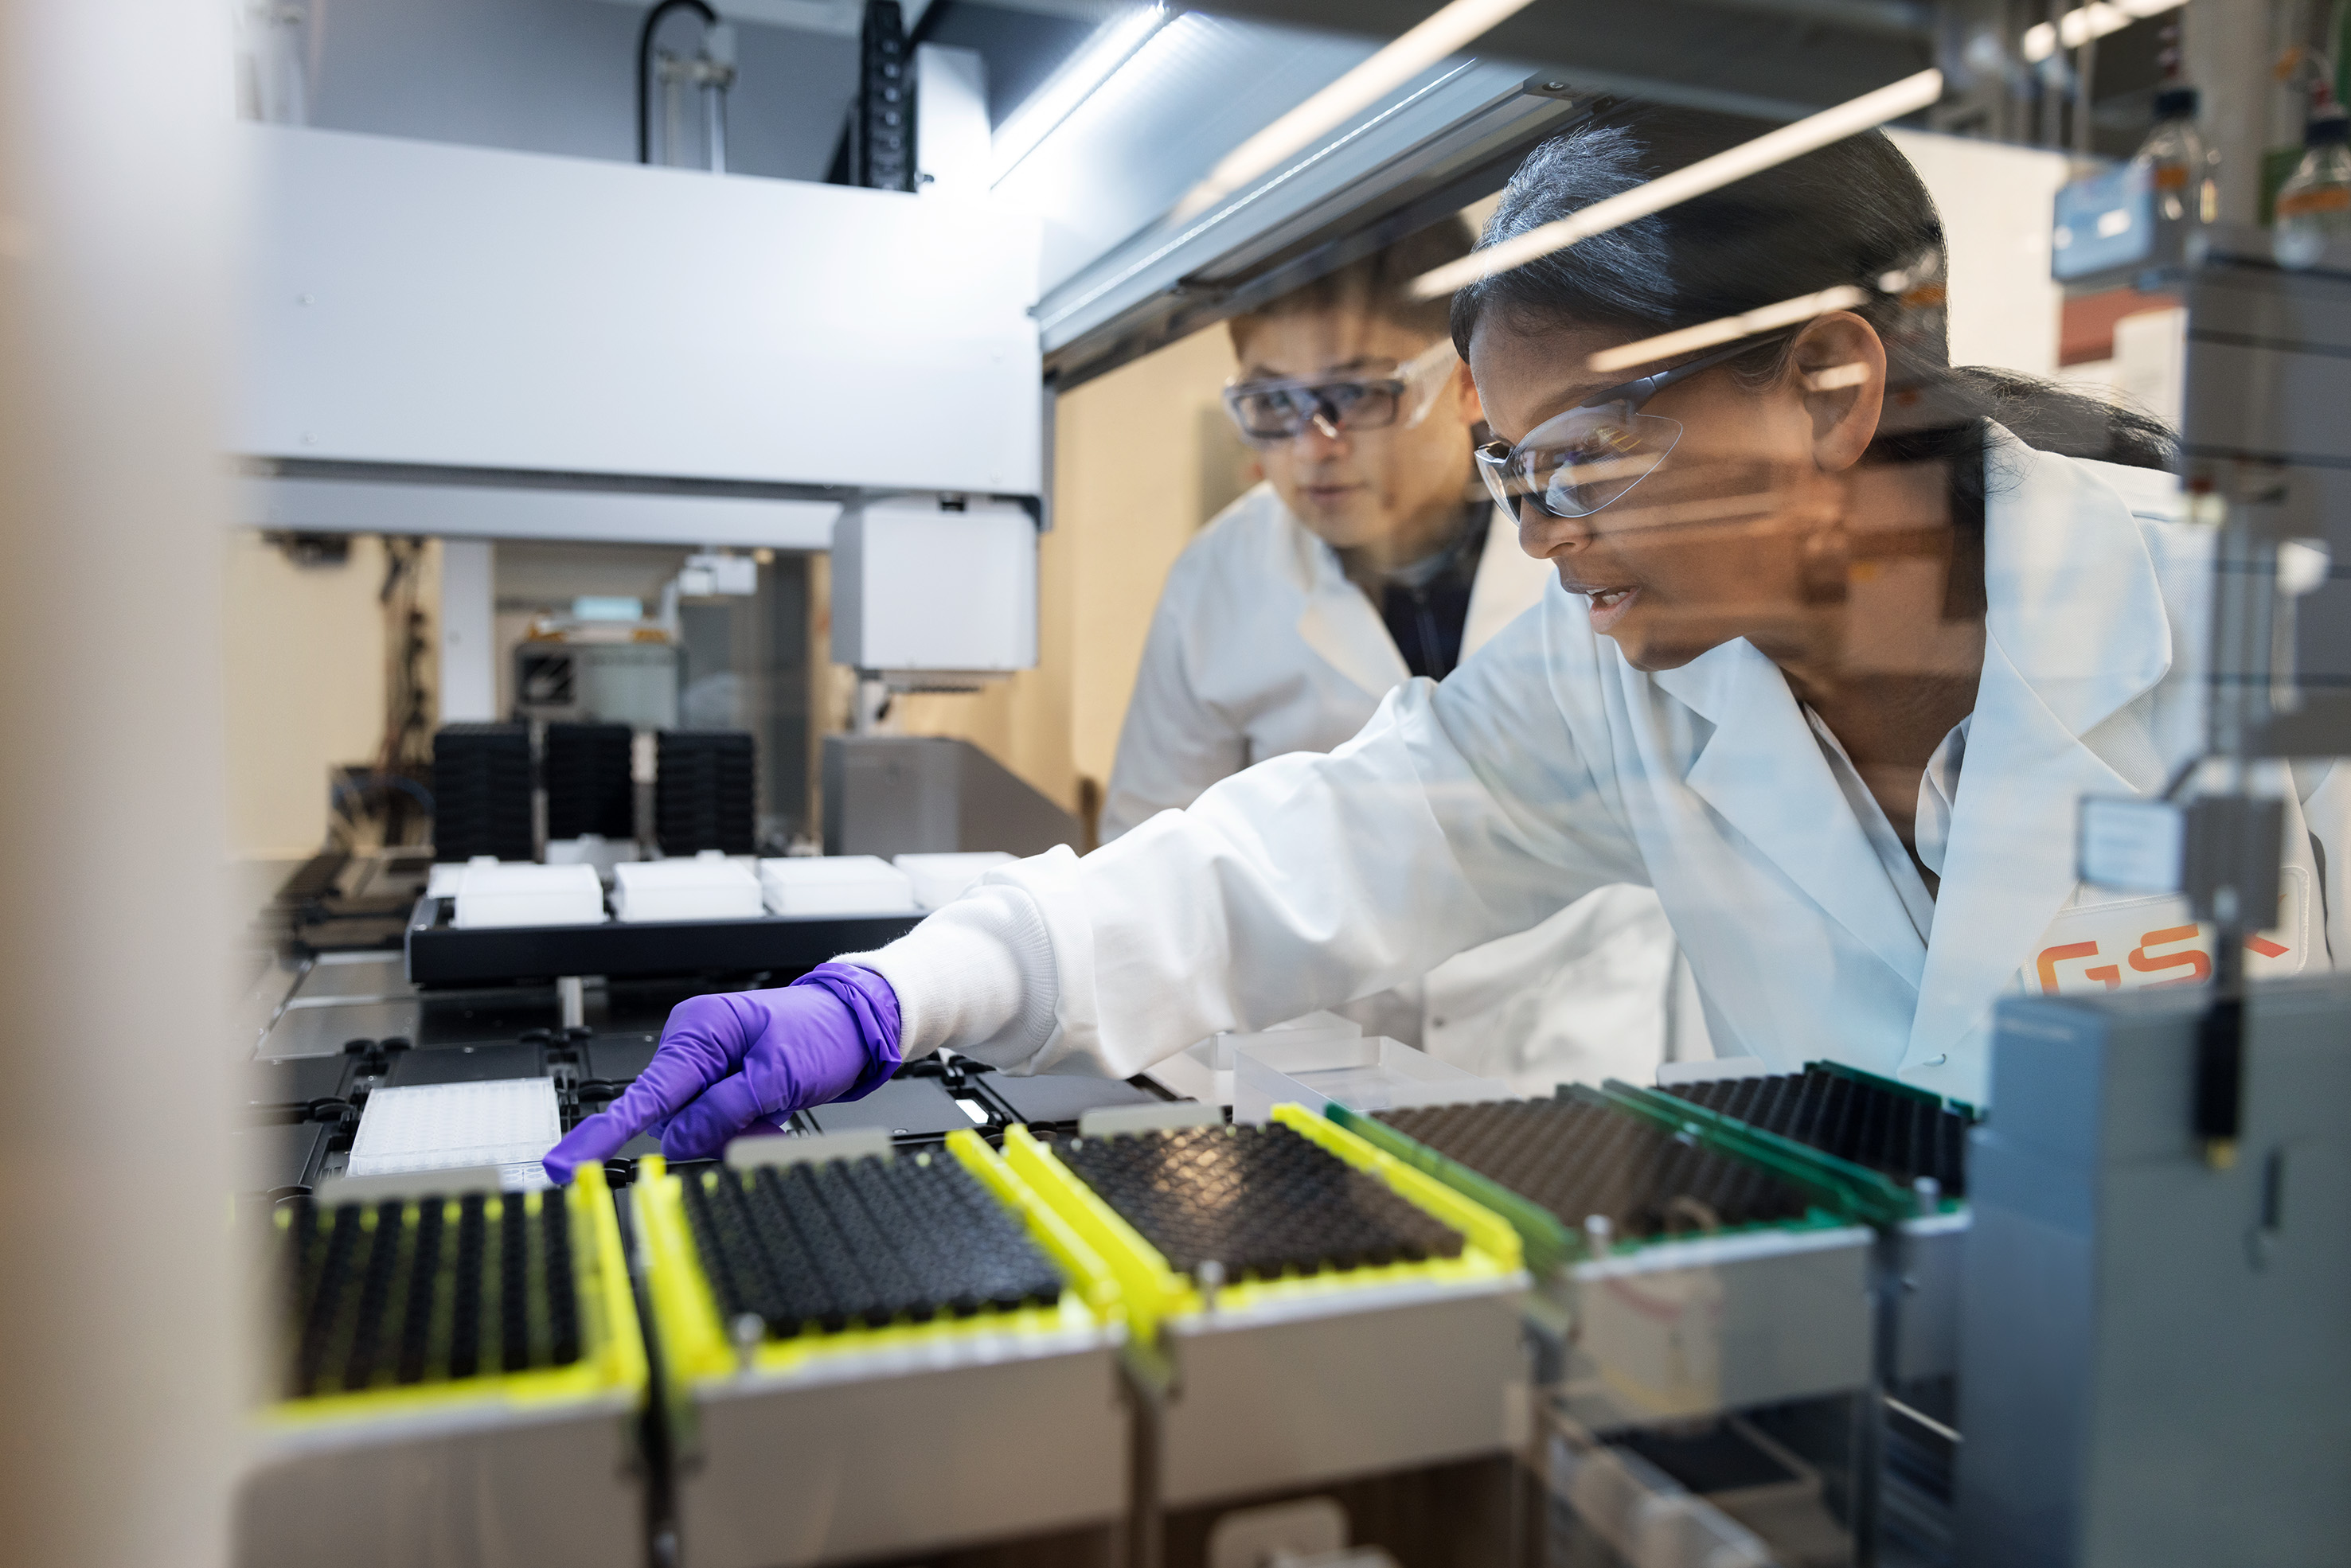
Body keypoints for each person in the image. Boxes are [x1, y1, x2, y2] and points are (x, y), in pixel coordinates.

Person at [544, 107, 2345, 1182]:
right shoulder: (1622, 674)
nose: (1538, 530)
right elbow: (1300, 845)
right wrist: (893, 994)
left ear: (1822, 390)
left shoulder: (2248, 631)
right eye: (1507, 468)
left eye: (1575, 458)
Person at [1102, 220, 1697, 1090]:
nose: (1312, 448)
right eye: (1273, 405)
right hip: (1315, 1082)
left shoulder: (1596, 544)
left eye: (1357, 394)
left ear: (1465, 386)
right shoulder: (1217, 579)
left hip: (1571, 1068)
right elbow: (1146, 856)